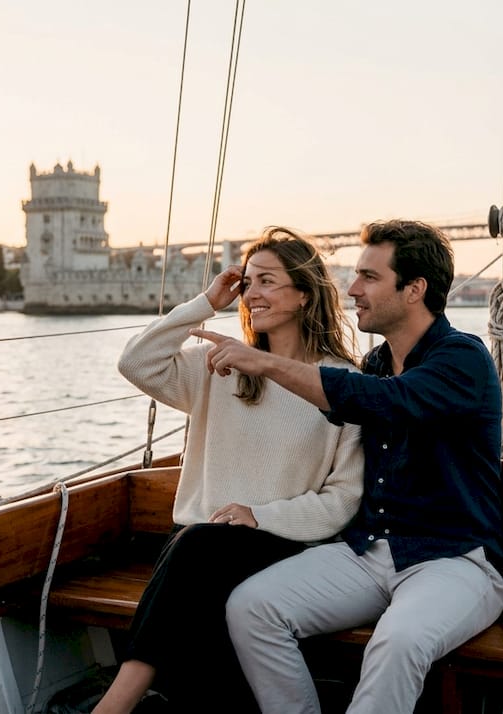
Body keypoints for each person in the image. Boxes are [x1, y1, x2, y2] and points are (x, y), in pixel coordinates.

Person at [191, 219, 503, 714]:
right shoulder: (377, 362)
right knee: (252, 608)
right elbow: (352, 404)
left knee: (397, 641)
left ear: (414, 289)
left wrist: (266, 363)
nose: (352, 289)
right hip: (368, 553)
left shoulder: (462, 360)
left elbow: (386, 401)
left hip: (453, 561)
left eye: (369, 277)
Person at [93, 227, 364, 714]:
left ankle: (115, 705)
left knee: (199, 554)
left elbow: (342, 499)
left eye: (267, 281)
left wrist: (258, 515)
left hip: (281, 545)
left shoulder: (343, 383)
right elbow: (136, 362)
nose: (251, 293)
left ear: (304, 294)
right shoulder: (219, 365)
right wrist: (204, 302)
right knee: (201, 573)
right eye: (247, 282)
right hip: (199, 548)